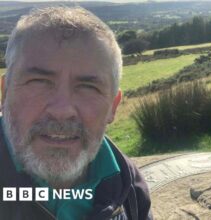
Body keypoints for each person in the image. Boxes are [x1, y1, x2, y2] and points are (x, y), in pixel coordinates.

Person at [0, 6, 152, 220]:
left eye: (88, 87)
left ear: (113, 106)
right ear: (5, 93)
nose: (61, 111)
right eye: (39, 82)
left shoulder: (129, 186)